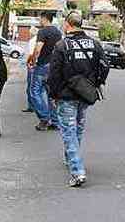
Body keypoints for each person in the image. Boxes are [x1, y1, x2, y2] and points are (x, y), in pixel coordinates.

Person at [48, 11, 105, 187]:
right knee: (78, 128)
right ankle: (70, 158)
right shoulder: (95, 44)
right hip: (85, 94)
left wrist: (53, 95)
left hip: (66, 95)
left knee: (68, 132)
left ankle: (77, 170)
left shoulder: (61, 46)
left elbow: (54, 74)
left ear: (67, 24)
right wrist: (96, 83)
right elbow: (104, 67)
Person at [26, 13, 62, 131]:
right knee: (50, 94)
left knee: (34, 91)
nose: (39, 21)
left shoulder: (43, 32)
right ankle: (55, 122)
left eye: (40, 19)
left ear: (44, 19)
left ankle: (44, 118)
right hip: (54, 66)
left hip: (43, 65)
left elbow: (38, 49)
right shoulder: (58, 32)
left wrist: (33, 61)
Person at [23, 27, 38, 113]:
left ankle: (31, 106)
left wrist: (28, 62)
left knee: (30, 87)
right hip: (40, 65)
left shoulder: (32, 41)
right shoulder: (41, 40)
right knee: (38, 88)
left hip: (32, 65)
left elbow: (31, 54)